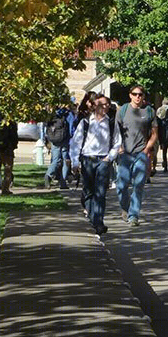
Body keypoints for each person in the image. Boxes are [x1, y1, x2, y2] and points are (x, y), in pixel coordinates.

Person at [70, 95, 121, 235]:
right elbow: (76, 143)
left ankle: (98, 222)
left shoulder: (110, 122)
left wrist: (109, 158)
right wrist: (75, 162)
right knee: (88, 191)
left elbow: (117, 142)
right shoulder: (85, 122)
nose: (105, 107)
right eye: (102, 104)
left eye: (107, 105)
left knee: (100, 192)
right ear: (94, 106)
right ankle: (92, 218)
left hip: (103, 161)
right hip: (87, 159)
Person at [115, 85, 158, 227]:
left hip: (141, 153)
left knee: (138, 186)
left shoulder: (149, 111)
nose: (138, 97)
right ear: (130, 95)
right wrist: (119, 147)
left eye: (140, 94)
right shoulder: (123, 111)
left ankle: (134, 215)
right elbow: (117, 131)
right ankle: (125, 208)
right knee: (121, 186)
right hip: (125, 154)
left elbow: (154, 134)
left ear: (144, 96)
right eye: (135, 94)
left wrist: (147, 149)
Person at [43, 105, 72, 189]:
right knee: (66, 161)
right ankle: (63, 183)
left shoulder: (52, 115)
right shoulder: (67, 115)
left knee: (56, 160)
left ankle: (49, 174)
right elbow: (71, 128)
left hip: (54, 140)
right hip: (65, 140)